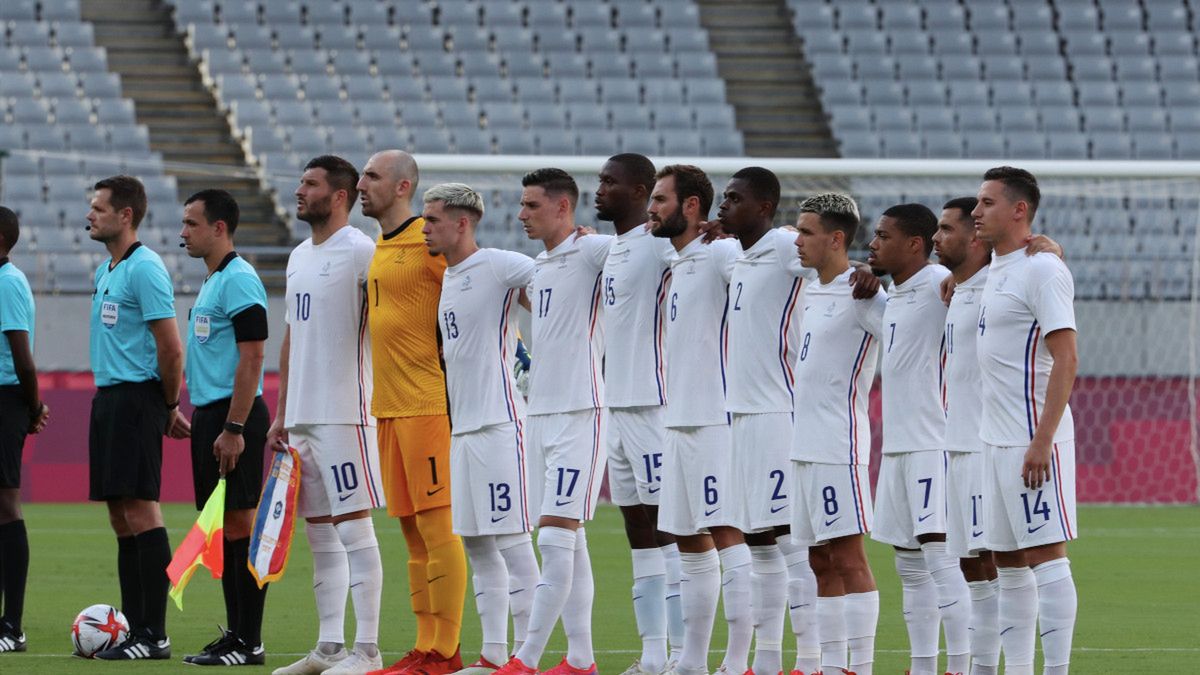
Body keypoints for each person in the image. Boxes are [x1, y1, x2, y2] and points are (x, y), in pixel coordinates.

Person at [269, 156, 386, 675]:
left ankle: (368, 650)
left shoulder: (363, 252)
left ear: (340, 196)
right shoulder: (298, 255)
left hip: (347, 413)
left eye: (310, 184)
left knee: (354, 529)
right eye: (301, 182)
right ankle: (329, 647)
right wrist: (281, 413)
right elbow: (292, 336)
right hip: (303, 416)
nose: (300, 191)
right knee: (319, 533)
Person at [493, 169, 610, 675]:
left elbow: (655, 250)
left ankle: (526, 658)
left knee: (556, 534)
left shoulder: (595, 251)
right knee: (567, 537)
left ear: (564, 207)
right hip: (539, 412)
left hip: (581, 410)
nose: (521, 215)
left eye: (531, 205)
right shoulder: (540, 268)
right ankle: (581, 659)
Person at [357, 150, 468, 675]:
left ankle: (446, 650)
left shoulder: (431, 241)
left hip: (428, 405)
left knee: (438, 530)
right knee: (409, 533)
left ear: (403, 187)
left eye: (372, 176)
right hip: (388, 409)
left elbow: (476, 292)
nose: (361, 184)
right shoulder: (383, 246)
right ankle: (424, 646)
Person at [420, 183, 536, 675]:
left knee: (512, 542)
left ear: (462, 224)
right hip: (463, 428)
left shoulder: (498, 264)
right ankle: (492, 656)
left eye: (432, 220)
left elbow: (554, 284)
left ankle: (527, 658)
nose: (424, 228)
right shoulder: (449, 276)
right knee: (476, 542)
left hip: (499, 424)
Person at [646, 165, 753, 675]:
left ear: (691, 207)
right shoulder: (677, 263)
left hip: (716, 419)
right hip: (679, 420)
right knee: (690, 544)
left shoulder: (721, 254)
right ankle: (691, 661)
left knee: (728, 536)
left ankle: (736, 662)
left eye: (661, 199)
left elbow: (776, 270)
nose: (651, 208)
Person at [972, 167, 1078, 675]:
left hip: (1031, 440)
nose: (976, 211)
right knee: (1009, 564)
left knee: (1047, 559)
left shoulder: (1042, 269)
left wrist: (1042, 441)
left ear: (1019, 210)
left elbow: (1067, 358)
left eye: (988, 202)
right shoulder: (996, 267)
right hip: (993, 440)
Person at [714, 167, 820, 675]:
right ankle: (769, 661)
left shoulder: (783, 245)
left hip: (780, 413)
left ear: (763, 207)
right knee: (757, 542)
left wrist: (864, 273)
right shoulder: (736, 255)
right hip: (742, 417)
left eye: (733, 199)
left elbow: (830, 263)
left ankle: (812, 660)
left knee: (789, 540)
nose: (722, 206)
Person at [85, 175, 190, 660]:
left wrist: (167, 405)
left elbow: (171, 348)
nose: (91, 215)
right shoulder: (109, 268)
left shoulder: (145, 269)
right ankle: (130, 628)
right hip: (108, 399)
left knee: (143, 511)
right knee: (119, 515)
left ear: (125, 215)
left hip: (136, 399)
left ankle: (155, 634)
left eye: (99, 208)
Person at [866, 203, 971, 675]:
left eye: (883, 235)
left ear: (913, 244)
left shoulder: (937, 286)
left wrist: (1047, 245)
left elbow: (985, 268)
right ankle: (924, 665)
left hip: (934, 444)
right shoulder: (894, 295)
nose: (872, 242)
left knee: (941, 559)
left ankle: (963, 665)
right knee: (909, 565)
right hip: (897, 449)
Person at [594, 154, 684, 675]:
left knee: (668, 527)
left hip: (655, 405)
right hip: (617, 405)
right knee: (637, 529)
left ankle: (680, 656)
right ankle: (653, 655)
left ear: (642, 190)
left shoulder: (661, 246)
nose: (600, 189)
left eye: (611, 182)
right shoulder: (611, 249)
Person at [790, 194, 887, 675]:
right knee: (818, 561)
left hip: (837, 446)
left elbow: (909, 335)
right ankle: (831, 666)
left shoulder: (864, 292)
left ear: (836, 239)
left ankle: (861, 666)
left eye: (806, 232)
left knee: (848, 558)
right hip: (801, 447)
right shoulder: (810, 288)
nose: (797, 239)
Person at [178, 189, 271, 666]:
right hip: (212, 415)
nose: (183, 233)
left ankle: (248, 641)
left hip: (236, 418)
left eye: (191, 223)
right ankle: (236, 635)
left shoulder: (238, 279)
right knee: (225, 531)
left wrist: (234, 426)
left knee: (241, 527)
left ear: (219, 228)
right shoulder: (213, 280)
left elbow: (254, 355)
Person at [933, 197, 1002, 675]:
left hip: (986, 444)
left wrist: (1051, 247)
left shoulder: (1002, 281)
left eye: (946, 230)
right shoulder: (954, 289)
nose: (938, 238)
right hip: (955, 444)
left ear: (974, 239)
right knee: (969, 565)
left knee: (997, 562)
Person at [0, 206, 49, 654]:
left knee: (5, 505)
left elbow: (22, 356)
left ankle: (11, 626)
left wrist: (32, 407)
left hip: (5, 399)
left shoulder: (8, 282)